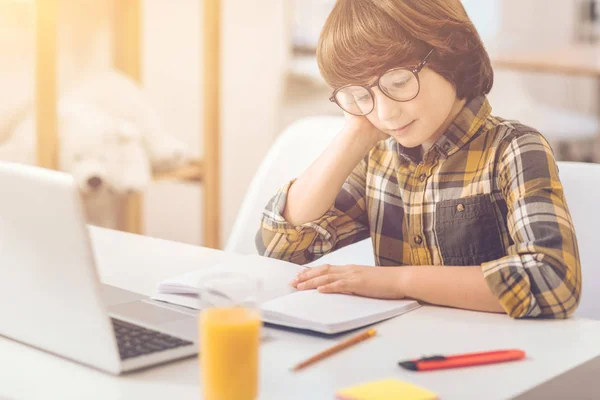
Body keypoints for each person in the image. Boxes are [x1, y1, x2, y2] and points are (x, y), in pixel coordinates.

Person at [256, 0, 581, 318]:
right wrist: (355, 132)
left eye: (399, 82)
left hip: (501, 357)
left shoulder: (512, 148)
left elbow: (552, 279)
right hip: (403, 351)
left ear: (452, 53)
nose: (385, 113)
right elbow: (280, 246)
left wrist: (399, 281)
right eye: (360, 95)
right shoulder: (379, 159)